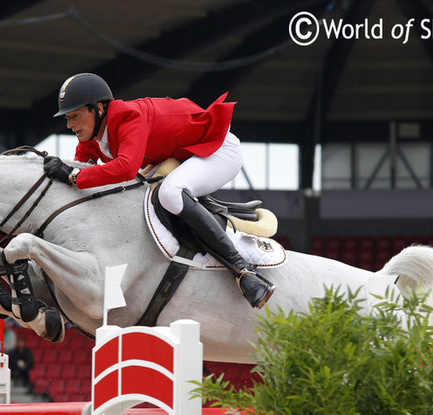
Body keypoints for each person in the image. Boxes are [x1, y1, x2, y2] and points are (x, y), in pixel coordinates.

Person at [43, 73, 275, 309]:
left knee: (170, 193)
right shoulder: (90, 135)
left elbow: (125, 168)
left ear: (98, 109)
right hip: (184, 155)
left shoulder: (128, 118)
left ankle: (244, 271)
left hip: (217, 150)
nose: (69, 125)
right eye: (67, 118)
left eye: (74, 116)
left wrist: (72, 176)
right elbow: (80, 171)